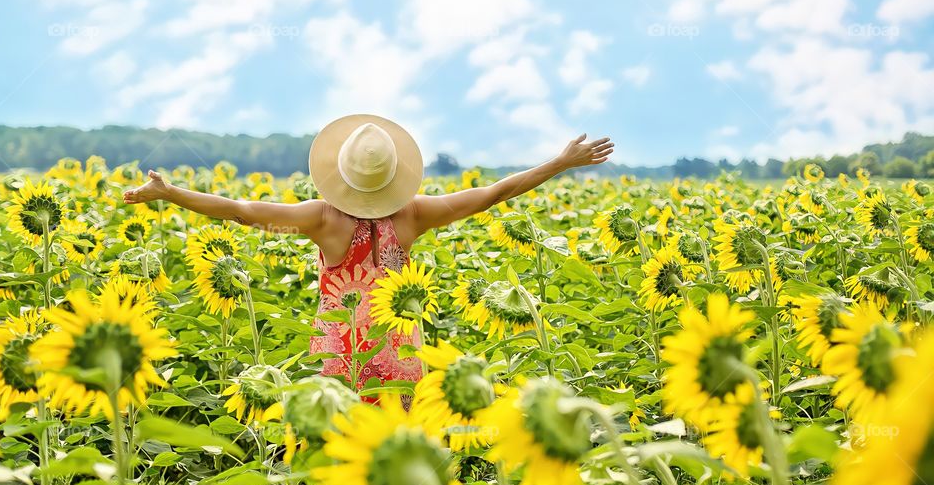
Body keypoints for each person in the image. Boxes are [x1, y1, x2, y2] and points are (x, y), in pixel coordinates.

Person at [124, 114, 613, 390]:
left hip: (345, 357)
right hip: (402, 354)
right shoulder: (415, 215)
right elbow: (494, 193)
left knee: (344, 455)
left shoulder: (323, 219)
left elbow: (240, 211)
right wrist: (560, 162)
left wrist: (172, 193)